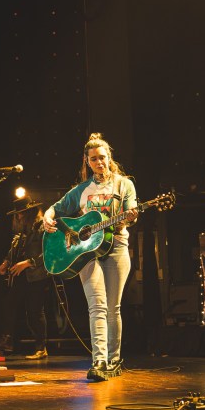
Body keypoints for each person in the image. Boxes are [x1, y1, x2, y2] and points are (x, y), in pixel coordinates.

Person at [42, 133, 138, 381]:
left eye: (103, 157)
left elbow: (131, 213)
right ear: (87, 161)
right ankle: (99, 361)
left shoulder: (123, 185)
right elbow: (57, 207)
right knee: (97, 306)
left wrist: (131, 216)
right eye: (93, 159)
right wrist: (47, 216)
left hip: (116, 246)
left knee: (113, 307)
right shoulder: (82, 190)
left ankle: (114, 360)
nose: (99, 162)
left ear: (109, 158)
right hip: (88, 253)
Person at [0, 196, 52, 359]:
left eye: (21, 213)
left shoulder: (42, 226)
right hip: (22, 276)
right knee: (9, 304)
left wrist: (28, 263)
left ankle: (41, 347)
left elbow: (49, 253)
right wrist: (6, 261)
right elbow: (16, 246)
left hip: (37, 276)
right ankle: (7, 341)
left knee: (35, 311)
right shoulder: (22, 230)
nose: (18, 217)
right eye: (17, 214)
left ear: (30, 212)